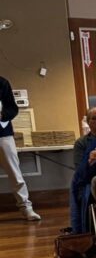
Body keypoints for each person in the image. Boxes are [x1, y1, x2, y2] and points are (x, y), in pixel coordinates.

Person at [0, 74, 40, 221]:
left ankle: (26, 207)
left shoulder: (2, 82)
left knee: (14, 173)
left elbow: (12, 109)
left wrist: (1, 115)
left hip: (3, 134)